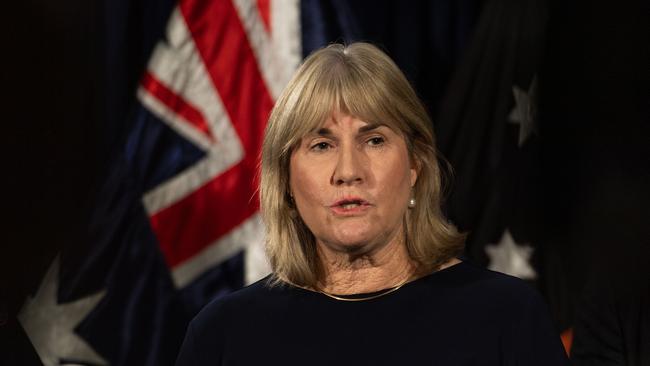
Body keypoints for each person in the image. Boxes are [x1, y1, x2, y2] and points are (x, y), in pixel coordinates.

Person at [175, 42, 568, 366]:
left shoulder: (508, 318)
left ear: (415, 165)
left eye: (374, 140)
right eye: (322, 145)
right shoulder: (222, 337)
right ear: (287, 183)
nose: (349, 170)